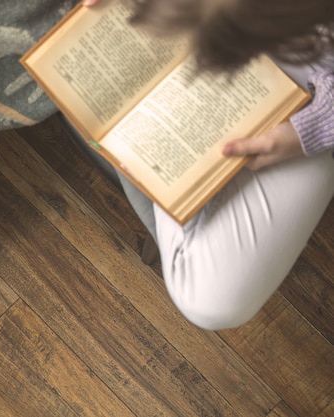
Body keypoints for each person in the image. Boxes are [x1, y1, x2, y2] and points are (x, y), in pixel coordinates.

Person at [82, 0, 334, 330]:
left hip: (307, 92)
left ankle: (144, 164)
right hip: (207, 31)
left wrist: (310, 129)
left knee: (211, 302)